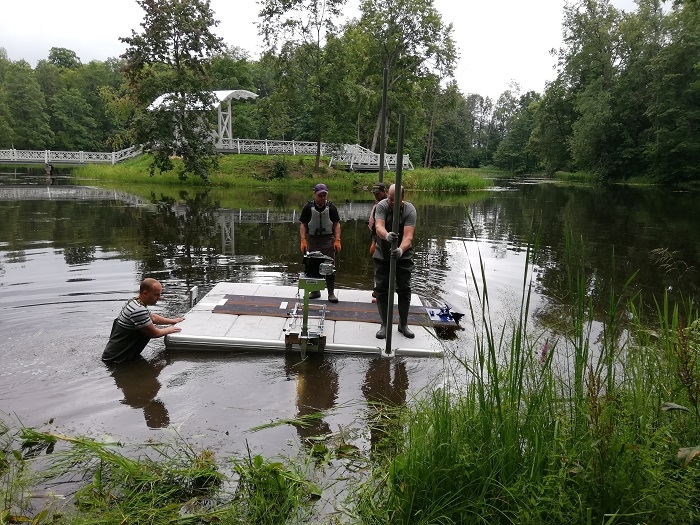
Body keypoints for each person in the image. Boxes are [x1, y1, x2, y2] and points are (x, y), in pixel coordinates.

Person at [102, 278, 184, 363]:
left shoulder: (135, 302)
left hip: (118, 356)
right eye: (156, 295)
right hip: (116, 359)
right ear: (145, 293)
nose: (159, 298)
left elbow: (152, 317)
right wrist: (169, 330)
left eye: (160, 294)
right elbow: (154, 333)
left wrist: (173, 321)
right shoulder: (138, 310)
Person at [372, 184, 417, 339]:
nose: (390, 201)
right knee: (382, 289)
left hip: (403, 254)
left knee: (404, 288)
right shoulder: (382, 206)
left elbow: (408, 236)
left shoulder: (410, 210)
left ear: (402, 197)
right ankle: (384, 324)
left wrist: (400, 250)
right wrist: (386, 236)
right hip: (383, 252)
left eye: (394, 199)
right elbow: (379, 226)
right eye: (389, 198)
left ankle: (403, 324)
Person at [299, 183, 341, 303]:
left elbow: (336, 224)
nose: (322, 198)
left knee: (329, 266)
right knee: (312, 266)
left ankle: (331, 293)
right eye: (320, 195)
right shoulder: (308, 208)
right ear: (315, 194)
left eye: (324, 195)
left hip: (328, 240)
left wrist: (337, 240)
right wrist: (303, 240)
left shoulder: (331, 207)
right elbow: (303, 224)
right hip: (312, 240)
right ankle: (315, 291)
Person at [367, 182, 388, 303]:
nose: (376, 195)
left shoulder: (385, 205)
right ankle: (378, 291)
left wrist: (374, 241)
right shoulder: (379, 203)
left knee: (382, 267)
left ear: (384, 191)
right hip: (377, 238)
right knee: (378, 266)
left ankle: (380, 295)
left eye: (378, 193)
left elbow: (380, 226)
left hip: (382, 240)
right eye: (374, 193)